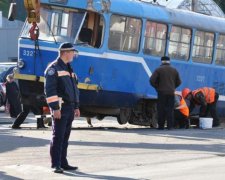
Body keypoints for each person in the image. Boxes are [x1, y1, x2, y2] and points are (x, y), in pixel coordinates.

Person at [44, 42, 80, 173]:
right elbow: (50, 90)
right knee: (58, 136)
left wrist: (76, 106)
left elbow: (74, 89)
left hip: (69, 107)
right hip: (61, 107)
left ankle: (63, 163)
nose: (73, 55)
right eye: (72, 52)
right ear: (65, 53)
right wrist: (55, 108)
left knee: (65, 136)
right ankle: (56, 164)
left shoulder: (68, 68)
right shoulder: (53, 68)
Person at [150, 56, 182, 130]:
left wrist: (157, 87)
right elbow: (179, 82)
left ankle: (161, 126)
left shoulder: (158, 70)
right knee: (170, 109)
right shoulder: (174, 70)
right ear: (169, 61)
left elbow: (152, 80)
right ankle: (170, 126)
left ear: (161, 61)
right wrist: (173, 87)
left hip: (161, 92)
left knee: (161, 109)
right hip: (171, 93)